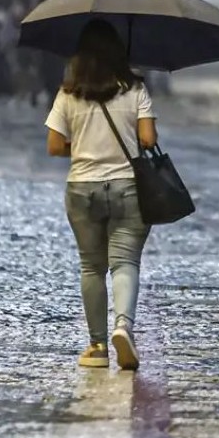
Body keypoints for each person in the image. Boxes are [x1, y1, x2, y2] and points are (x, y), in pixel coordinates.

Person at [44, 19, 158, 371]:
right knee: (125, 262)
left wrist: (82, 147)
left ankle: (96, 347)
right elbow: (149, 140)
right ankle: (123, 327)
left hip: (81, 187)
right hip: (127, 186)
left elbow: (53, 145)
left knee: (91, 266)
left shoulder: (68, 93)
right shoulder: (135, 88)